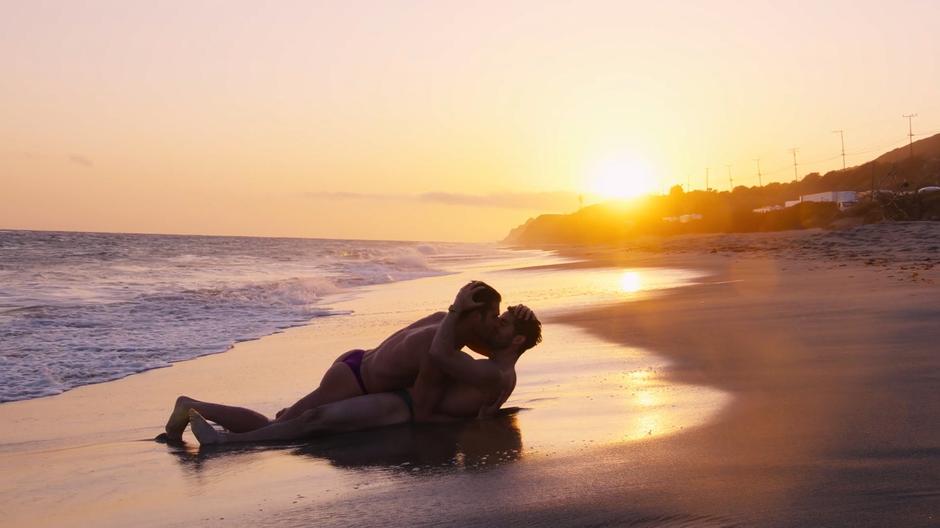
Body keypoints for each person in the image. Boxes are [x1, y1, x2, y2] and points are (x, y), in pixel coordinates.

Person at [162, 281, 534, 442]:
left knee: (279, 420)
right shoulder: (442, 346)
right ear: (472, 317)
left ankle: (192, 407)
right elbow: (438, 375)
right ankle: (221, 436)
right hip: (355, 383)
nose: (493, 326)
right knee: (274, 429)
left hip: (352, 364)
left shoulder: (443, 323)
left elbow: (493, 356)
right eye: (492, 317)